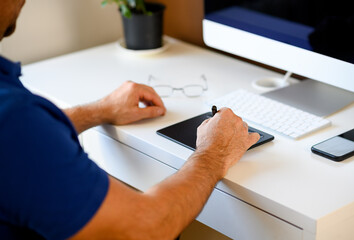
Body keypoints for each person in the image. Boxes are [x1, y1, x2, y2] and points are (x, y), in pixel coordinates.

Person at [0, 0, 260, 239]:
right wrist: (214, 154)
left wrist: (99, 110)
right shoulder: (15, 119)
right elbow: (145, 229)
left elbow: (20, 138)